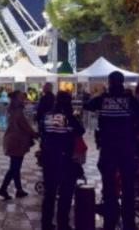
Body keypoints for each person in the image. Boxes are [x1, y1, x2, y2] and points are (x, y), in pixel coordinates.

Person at [84, 71, 139, 230]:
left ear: (110, 83)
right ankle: (128, 224)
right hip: (127, 149)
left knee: (109, 187)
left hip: (108, 149)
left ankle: (110, 222)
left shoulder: (102, 99)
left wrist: (101, 93)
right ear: (122, 82)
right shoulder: (131, 100)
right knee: (128, 188)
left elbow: (87, 104)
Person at [40, 91, 85, 230]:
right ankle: (63, 223)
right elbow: (80, 131)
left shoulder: (46, 116)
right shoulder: (69, 118)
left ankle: (46, 224)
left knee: (49, 194)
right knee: (65, 195)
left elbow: (43, 132)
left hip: (49, 160)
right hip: (66, 161)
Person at [0, 91, 37, 200]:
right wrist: (35, 134)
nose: (23, 98)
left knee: (15, 167)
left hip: (13, 140)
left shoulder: (11, 109)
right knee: (14, 168)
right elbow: (25, 126)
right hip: (17, 142)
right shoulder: (18, 111)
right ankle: (3, 188)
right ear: (16, 99)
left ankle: (18, 190)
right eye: (21, 97)